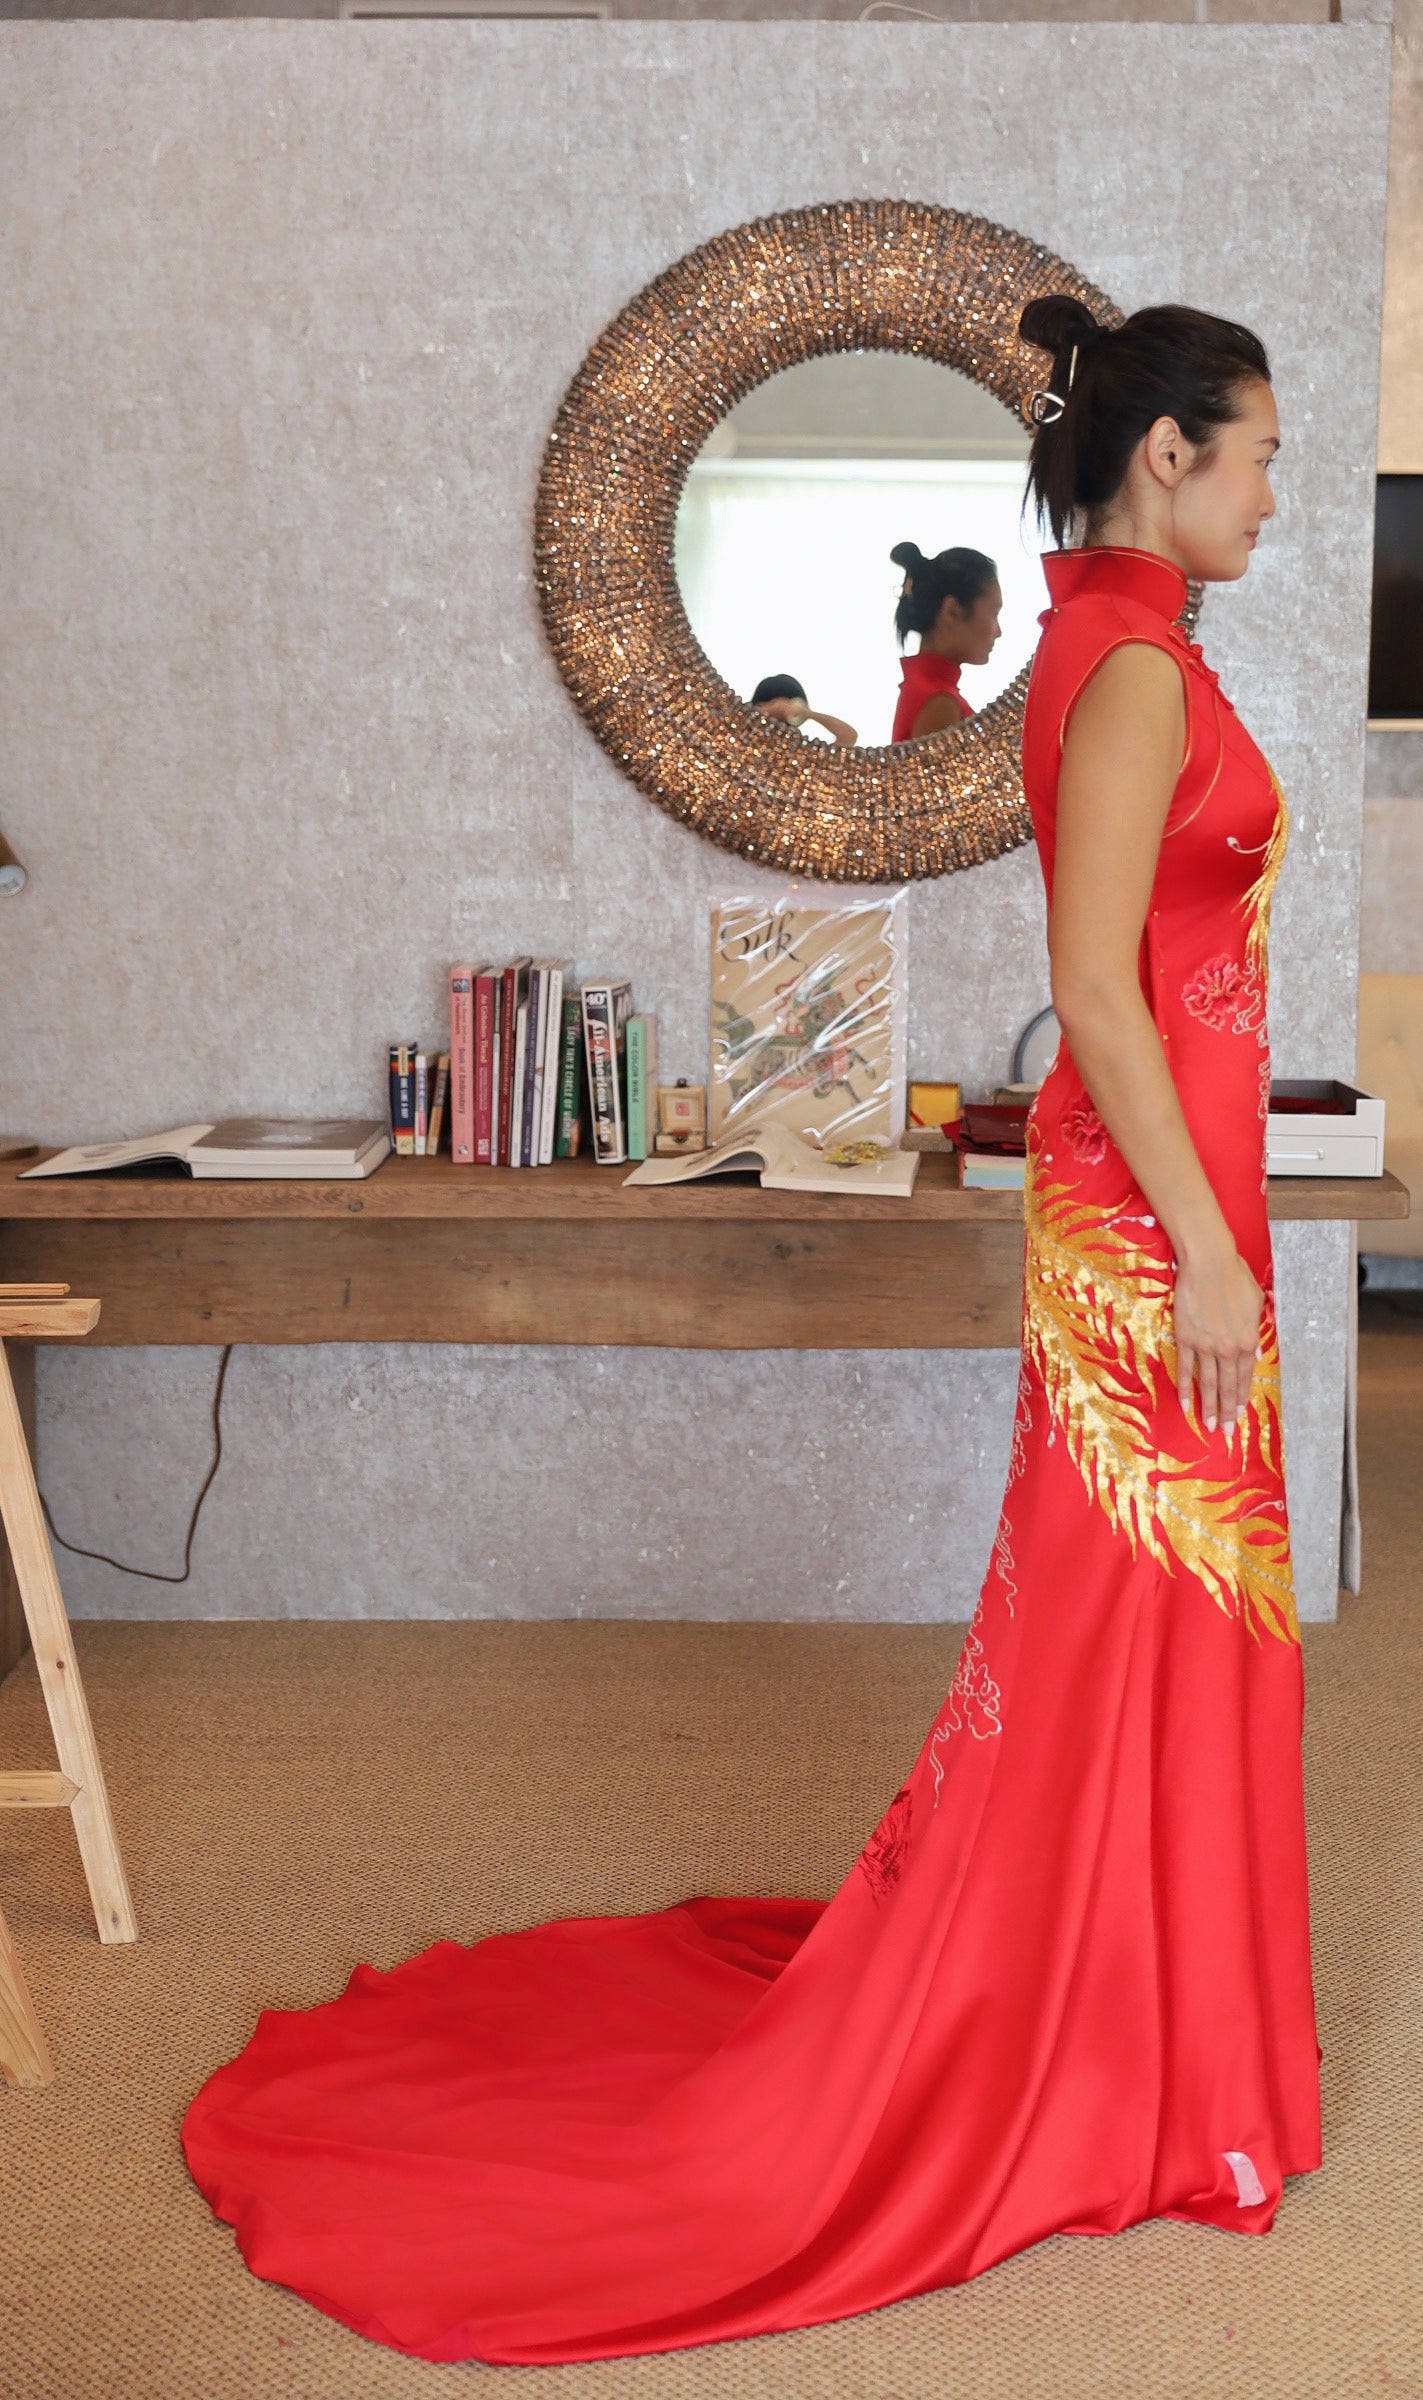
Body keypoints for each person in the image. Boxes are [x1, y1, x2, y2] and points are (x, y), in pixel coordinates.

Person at [181, 293, 1318, 2367]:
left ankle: (1157, 2048)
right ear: (1161, 455)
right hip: (1160, 1223)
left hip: (1168, 1202)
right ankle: (1112, 2060)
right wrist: (1214, 1256)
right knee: (1116, 1619)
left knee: (1149, 1625)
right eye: (1250, 449)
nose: (1267, 487)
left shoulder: (1112, 646)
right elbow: (1091, 995)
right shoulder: (1129, 663)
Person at [888, 541, 1001, 739]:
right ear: (952, 611)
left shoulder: (927, 690)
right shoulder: (939, 701)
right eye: (993, 612)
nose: (998, 631)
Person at [750, 671, 857, 746]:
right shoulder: (744, 742)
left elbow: (848, 737)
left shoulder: (801, 755)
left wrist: (806, 713)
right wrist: (768, 711)